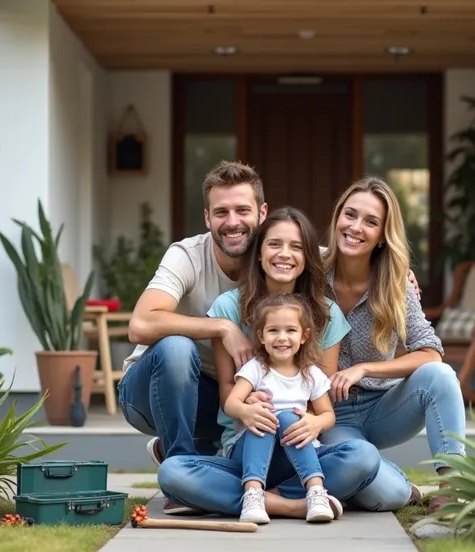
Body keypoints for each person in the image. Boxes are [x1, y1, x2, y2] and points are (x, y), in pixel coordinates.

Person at [157, 206, 382, 519]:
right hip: (246, 445)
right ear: (259, 253)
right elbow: (226, 391)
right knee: (172, 472)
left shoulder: (326, 313)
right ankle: (292, 505)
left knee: (363, 457)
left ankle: (260, 499)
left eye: (296, 247)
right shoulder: (228, 307)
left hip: (301, 450)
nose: (284, 254)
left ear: (307, 258)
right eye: (274, 244)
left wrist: (315, 422)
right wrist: (249, 406)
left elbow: (322, 403)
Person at [117, 160, 268, 514]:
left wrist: (402, 277)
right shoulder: (187, 255)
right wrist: (221, 326)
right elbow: (140, 324)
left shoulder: (279, 251)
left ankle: (190, 450)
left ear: (262, 212)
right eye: (221, 212)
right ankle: (182, 476)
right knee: (176, 347)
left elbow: (347, 258)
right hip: (148, 393)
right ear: (207, 218)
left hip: (219, 398)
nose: (232, 222)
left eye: (242, 210)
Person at [319, 176, 466, 515]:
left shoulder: (395, 281)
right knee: (390, 496)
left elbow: (430, 351)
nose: (356, 227)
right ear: (337, 216)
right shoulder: (310, 270)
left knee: (440, 376)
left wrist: (365, 368)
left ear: (384, 235)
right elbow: (271, 247)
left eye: (370, 221)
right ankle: (400, 483)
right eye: (350, 215)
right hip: (331, 416)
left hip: (385, 406)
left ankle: (451, 491)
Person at [224, 293, 337, 524]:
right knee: (268, 418)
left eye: (291, 330)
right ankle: (253, 495)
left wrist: (315, 422)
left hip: (294, 453)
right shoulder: (255, 368)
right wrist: (247, 412)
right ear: (261, 337)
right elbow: (231, 403)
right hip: (254, 447)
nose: (282, 338)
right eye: (273, 330)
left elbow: (328, 415)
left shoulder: (311, 374)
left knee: (288, 418)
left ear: (304, 336)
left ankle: (316, 493)